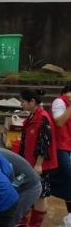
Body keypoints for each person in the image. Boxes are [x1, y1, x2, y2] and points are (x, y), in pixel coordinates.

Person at [17, 89, 58, 227]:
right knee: (27, 188)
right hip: (29, 162)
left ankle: (36, 224)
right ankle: (24, 218)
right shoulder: (32, 117)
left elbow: (44, 142)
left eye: (23, 101)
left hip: (40, 164)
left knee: (41, 193)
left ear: (32, 102)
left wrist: (39, 164)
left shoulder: (43, 117)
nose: (21, 104)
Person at [49, 82, 71, 215]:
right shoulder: (59, 102)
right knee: (67, 175)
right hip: (60, 145)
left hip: (68, 145)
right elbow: (59, 122)